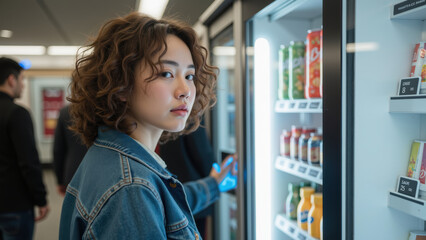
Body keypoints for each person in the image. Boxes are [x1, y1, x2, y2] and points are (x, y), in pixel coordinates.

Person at [59, 12, 237, 239]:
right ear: (121, 84)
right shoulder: (131, 188)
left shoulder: (113, 157)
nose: (185, 90)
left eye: (190, 76)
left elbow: (165, 204)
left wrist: (215, 184)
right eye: (166, 73)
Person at [0, 57, 49, 239]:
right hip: (14, 205)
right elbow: (28, 162)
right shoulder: (17, 114)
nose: (23, 85)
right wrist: (41, 199)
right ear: (11, 80)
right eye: (22, 79)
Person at [158, 124, 215, 238]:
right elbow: (201, 150)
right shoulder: (189, 114)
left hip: (173, 180)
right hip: (194, 186)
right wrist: (214, 178)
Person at [53, 105, 88, 196]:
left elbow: (58, 150)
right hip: (100, 175)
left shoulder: (65, 112)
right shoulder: (104, 111)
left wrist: (60, 180)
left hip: (73, 173)